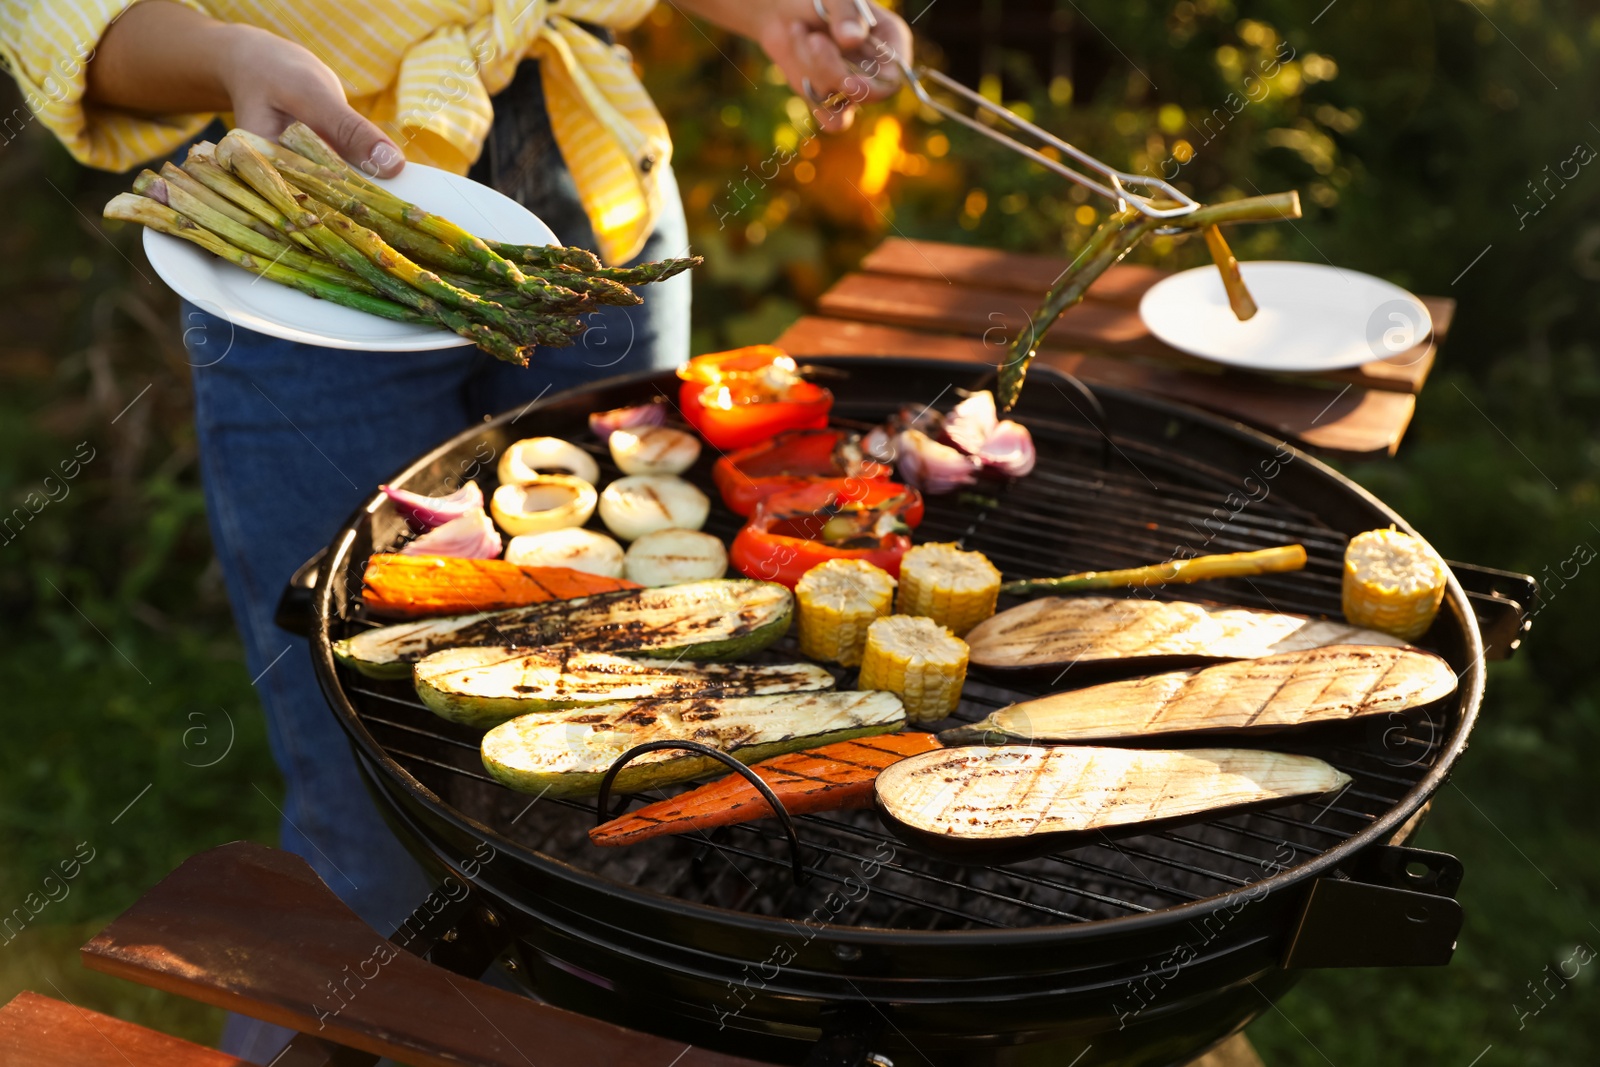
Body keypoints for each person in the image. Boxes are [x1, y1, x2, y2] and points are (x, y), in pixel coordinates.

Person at [3, 0, 911, 1058]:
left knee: (630, 751)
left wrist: (766, 14)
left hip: (593, 210)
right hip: (316, 214)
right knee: (366, 821)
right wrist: (224, 54)